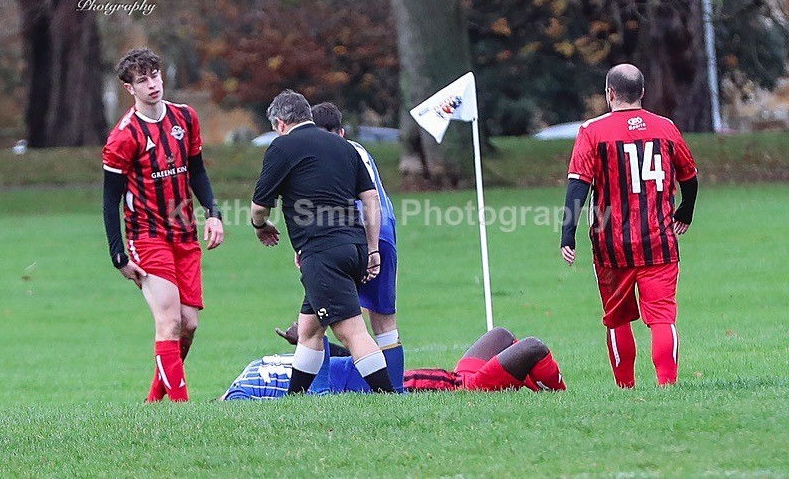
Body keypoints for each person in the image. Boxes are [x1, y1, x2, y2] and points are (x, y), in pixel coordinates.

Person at [560, 63, 698, 388]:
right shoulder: (665, 128)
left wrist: (568, 234)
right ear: (642, 93)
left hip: (611, 246)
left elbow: (577, 186)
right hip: (660, 241)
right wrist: (686, 212)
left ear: (610, 94)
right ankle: (667, 384)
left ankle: (626, 388)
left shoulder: (592, 131)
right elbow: (689, 176)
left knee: (617, 318)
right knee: (662, 316)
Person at [251, 90, 396, 394]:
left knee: (351, 332)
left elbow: (260, 205)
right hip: (354, 246)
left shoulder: (282, 147)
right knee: (309, 328)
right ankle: (295, 398)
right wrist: (371, 249)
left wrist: (260, 226)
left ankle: (389, 396)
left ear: (279, 123)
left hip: (322, 250)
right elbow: (370, 199)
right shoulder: (344, 147)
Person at [102, 48, 224, 402]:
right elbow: (110, 201)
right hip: (147, 236)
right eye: (143, 80)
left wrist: (213, 213)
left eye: (155, 76)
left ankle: (155, 401)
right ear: (130, 88)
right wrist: (118, 255)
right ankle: (180, 410)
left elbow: (197, 171)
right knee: (169, 322)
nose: (153, 84)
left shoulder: (185, 118)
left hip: (184, 234)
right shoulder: (123, 137)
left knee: (189, 325)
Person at [310, 102, 403, 392]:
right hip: (386, 235)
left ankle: (320, 389)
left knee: (319, 317)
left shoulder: (330, 157)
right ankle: (395, 390)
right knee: (384, 321)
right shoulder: (360, 150)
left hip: (354, 239)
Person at [221, 324, 565, 399]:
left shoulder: (255, 366)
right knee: (532, 346)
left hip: (445, 376)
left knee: (501, 334)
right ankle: (559, 395)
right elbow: (317, 398)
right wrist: (316, 341)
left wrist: (310, 344)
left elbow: (341, 361)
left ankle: (529, 386)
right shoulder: (243, 398)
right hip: (457, 392)